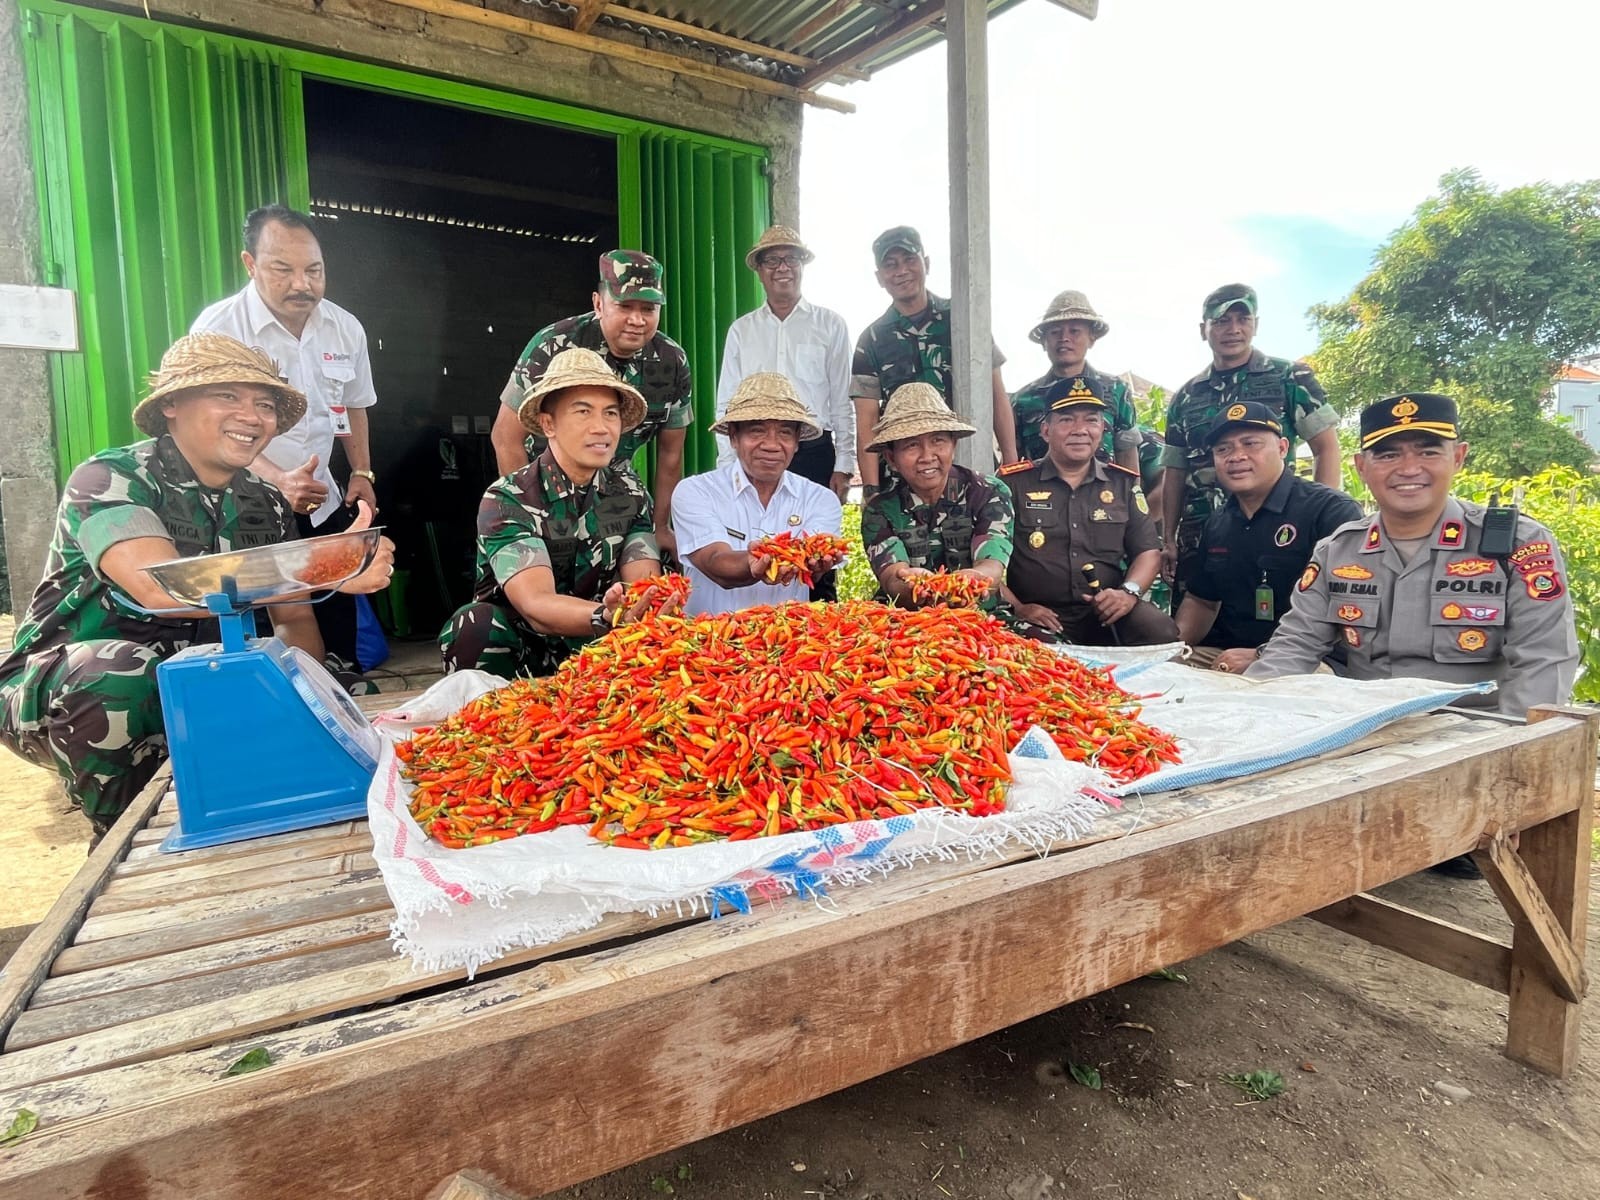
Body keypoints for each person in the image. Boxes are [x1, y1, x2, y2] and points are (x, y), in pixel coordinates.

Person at [0, 333, 395, 836]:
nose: (252, 416)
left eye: (265, 403)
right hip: (63, 690)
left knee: (344, 695)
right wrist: (323, 568)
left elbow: (293, 620)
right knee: (118, 676)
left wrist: (307, 702)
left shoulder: (265, 502)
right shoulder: (110, 479)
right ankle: (123, 841)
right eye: (227, 396)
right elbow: (159, 589)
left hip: (201, 681)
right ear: (171, 405)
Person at [1247, 392, 1578, 718]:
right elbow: (1294, 647)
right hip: (1370, 730)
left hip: (1481, 733)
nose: (1408, 469)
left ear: (1458, 457)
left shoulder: (1517, 543)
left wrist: (1514, 751)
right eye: (1388, 455)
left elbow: (1543, 662)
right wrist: (1239, 716)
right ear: (1362, 467)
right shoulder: (1338, 551)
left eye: (1428, 452)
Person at [191, 204, 381, 685]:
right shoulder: (219, 330)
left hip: (321, 495)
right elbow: (211, 429)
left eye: (314, 270)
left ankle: (337, 687)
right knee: (256, 607)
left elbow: (355, 404)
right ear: (250, 264)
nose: (303, 284)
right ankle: (266, 695)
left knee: (331, 595)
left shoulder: (345, 327)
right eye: (283, 269)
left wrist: (361, 473)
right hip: (244, 499)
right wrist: (277, 479)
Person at [442, 349, 668, 678]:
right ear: (549, 423)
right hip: (525, 644)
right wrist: (606, 617)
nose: (601, 428)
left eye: (610, 414)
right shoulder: (508, 498)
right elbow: (536, 604)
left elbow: (642, 584)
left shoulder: (632, 495)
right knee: (474, 624)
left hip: (596, 644)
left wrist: (644, 608)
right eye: (583, 412)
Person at [489, 250, 691, 557]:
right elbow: (505, 437)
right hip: (546, 485)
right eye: (624, 306)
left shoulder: (671, 360)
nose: (637, 320)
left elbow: (671, 453)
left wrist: (661, 526)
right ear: (599, 303)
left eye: (649, 309)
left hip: (618, 493)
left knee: (642, 583)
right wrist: (528, 515)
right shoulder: (554, 344)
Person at [1160, 283, 1341, 599]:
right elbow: (1174, 472)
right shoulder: (1187, 395)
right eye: (1220, 321)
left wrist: (1322, 523)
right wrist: (1168, 539)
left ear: (1255, 324)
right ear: (1203, 330)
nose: (1233, 329)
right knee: (1195, 624)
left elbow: (1325, 447)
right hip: (1201, 534)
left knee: (1282, 614)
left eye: (1242, 319)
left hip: (1279, 529)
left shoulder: (1289, 377)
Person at [1175, 402, 1363, 672]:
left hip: (1315, 659)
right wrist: (1169, 649)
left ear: (1283, 448)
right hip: (1229, 654)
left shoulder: (1330, 511)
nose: (1236, 456)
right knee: (1161, 673)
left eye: (1251, 444)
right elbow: (1202, 601)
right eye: (1223, 449)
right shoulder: (1219, 521)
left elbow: (1347, 610)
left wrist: (1263, 654)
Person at [1001, 376, 1179, 646]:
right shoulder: (1012, 484)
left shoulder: (1123, 484)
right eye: (1067, 419)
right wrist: (1018, 607)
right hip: (1038, 615)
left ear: (1103, 429)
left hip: (1107, 610)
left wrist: (1127, 594)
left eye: (1091, 420)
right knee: (1036, 648)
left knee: (1161, 631)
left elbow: (1148, 552)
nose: (1080, 430)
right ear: (1046, 430)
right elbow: (982, 560)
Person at [860, 384, 1047, 638]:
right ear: (891, 458)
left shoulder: (988, 492)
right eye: (911, 445)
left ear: (953, 444)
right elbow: (893, 578)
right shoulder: (880, 510)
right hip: (908, 620)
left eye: (938, 440)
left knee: (1047, 650)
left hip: (981, 616)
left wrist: (967, 583)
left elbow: (991, 566)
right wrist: (915, 584)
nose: (928, 456)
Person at [850, 226, 1017, 492]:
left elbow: (996, 393)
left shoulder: (965, 319)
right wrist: (871, 489)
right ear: (879, 277)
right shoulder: (871, 339)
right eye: (890, 265)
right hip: (903, 476)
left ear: (926, 263)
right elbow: (867, 421)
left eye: (910, 260)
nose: (901, 271)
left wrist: (1011, 464)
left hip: (970, 464)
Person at [673, 374, 845, 617]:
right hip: (707, 641)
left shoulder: (820, 499)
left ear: (796, 442)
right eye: (757, 431)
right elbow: (715, 560)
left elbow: (815, 559)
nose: (771, 445)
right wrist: (756, 563)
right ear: (734, 436)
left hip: (785, 644)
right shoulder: (696, 492)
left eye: (785, 433)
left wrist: (817, 563)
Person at [715, 226, 854, 500]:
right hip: (755, 452)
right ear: (759, 270)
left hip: (814, 451)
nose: (782, 268)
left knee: (813, 538)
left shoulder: (830, 325)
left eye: (791, 259)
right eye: (771, 260)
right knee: (757, 537)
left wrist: (844, 464)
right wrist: (728, 464)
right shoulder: (741, 331)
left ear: (802, 266)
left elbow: (842, 400)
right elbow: (726, 404)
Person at [1010, 290, 1139, 471]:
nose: (1064, 338)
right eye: (1055, 332)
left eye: (1075, 331)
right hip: (1041, 495)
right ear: (1044, 342)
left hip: (1105, 494)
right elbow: (1014, 459)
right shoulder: (1022, 400)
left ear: (1091, 338)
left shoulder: (1116, 390)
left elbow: (1127, 453)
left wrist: (1133, 494)